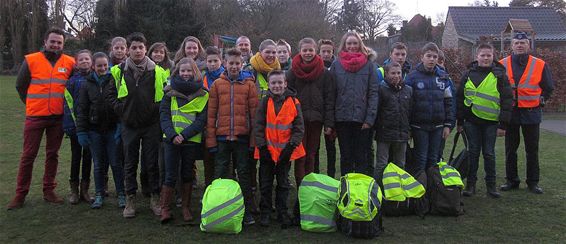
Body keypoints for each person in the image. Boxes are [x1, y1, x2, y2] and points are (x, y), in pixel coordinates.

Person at [9, 27, 75, 210]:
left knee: (52, 154)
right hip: (35, 117)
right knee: (28, 155)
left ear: (63, 44)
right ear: (45, 41)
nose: (55, 45)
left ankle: (49, 190)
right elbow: (21, 86)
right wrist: (31, 105)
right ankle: (20, 194)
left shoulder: (70, 62)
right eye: (52, 41)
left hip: (57, 118)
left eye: (59, 42)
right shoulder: (31, 60)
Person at [105, 32, 168, 218]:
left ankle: (154, 197)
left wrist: (154, 111)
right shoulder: (118, 71)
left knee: (152, 163)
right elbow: (110, 95)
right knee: (129, 163)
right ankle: (130, 199)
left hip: (151, 125)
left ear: (146, 49)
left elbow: (164, 96)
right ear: (128, 50)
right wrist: (122, 110)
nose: (138, 50)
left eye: (141, 47)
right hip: (129, 125)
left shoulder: (157, 71)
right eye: (134, 47)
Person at [207, 48, 258, 225]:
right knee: (220, 172)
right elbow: (211, 115)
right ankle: (219, 207)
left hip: (242, 138)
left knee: (244, 173)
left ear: (242, 64)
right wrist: (211, 139)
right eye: (231, 63)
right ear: (224, 63)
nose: (234, 66)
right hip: (221, 138)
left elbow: (254, 115)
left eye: (237, 63)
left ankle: (247, 210)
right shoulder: (216, 85)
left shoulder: (249, 85)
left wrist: (253, 140)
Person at [287, 37, 335, 222]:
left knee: (311, 155)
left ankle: (310, 190)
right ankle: (301, 191)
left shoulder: (324, 73)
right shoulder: (292, 72)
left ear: (315, 51)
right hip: (298, 121)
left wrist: (329, 123)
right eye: (304, 50)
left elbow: (329, 98)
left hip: (316, 120)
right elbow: (287, 95)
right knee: (299, 156)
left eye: (311, 50)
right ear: (300, 51)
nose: (308, 53)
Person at [456, 43, 513, 198]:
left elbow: (507, 100)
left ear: (493, 56)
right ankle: (471, 185)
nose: (486, 58)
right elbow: (460, 99)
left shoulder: (500, 75)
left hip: (491, 122)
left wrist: (503, 124)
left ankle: (491, 186)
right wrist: (459, 122)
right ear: (477, 56)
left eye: (489, 55)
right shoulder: (467, 74)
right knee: (473, 153)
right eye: (483, 55)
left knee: (489, 153)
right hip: (471, 122)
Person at [499, 32, 554, 194]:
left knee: (532, 150)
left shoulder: (540, 64)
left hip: (531, 113)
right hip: (511, 113)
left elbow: (548, 87)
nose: (519, 45)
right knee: (510, 149)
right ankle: (511, 180)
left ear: (529, 45)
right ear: (511, 46)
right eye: (516, 43)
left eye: (523, 43)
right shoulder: (502, 64)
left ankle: (533, 182)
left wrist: (542, 99)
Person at [159, 58, 208, 223]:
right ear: (177, 72)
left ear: (195, 73)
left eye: (189, 71)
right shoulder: (168, 92)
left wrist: (184, 136)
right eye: (183, 71)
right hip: (171, 141)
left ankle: (186, 207)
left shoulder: (203, 94)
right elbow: (164, 117)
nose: (186, 74)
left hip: (190, 140)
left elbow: (201, 121)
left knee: (187, 174)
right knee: (170, 174)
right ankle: (165, 209)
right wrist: (173, 135)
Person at [255, 70, 305, 228]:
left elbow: (299, 128)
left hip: (285, 152)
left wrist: (291, 147)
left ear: (285, 84)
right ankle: (265, 211)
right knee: (265, 183)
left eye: (279, 83)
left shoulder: (294, 102)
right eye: (273, 83)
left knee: (283, 183)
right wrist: (262, 147)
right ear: (268, 85)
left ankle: (282, 211)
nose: (276, 85)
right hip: (267, 152)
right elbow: (258, 126)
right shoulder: (264, 102)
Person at [76, 52, 126, 208]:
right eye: (99, 66)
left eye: (105, 65)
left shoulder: (115, 80)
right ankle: (99, 194)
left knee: (116, 163)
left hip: (112, 129)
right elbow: (82, 109)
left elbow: (121, 104)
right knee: (98, 164)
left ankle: (121, 194)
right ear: (93, 66)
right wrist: (81, 131)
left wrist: (120, 125)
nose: (103, 68)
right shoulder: (86, 84)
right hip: (94, 130)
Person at [330, 31, 379, 176]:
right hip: (342, 118)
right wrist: (332, 119)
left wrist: (369, 119)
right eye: (349, 43)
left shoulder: (369, 66)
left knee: (361, 157)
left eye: (355, 43)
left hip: (362, 119)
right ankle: (346, 188)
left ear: (360, 45)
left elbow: (373, 93)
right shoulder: (336, 65)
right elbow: (332, 93)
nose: (352, 46)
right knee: (346, 157)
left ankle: (361, 192)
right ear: (344, 45)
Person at [405, 42, 454, 172]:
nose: (432, 59)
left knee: (434, 158)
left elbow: (449, 102)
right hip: (419, 126)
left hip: (438, 126)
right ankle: (421, 189)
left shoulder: (443, 77)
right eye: (429, 56)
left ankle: (433, 188)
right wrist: (408, 126)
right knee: (421, 158)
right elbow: (407, 104)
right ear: (422, 57)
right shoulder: (412, 77)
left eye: (434, 56)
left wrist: (448, 125)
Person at [374, 62, 412, 183]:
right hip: (384, 134)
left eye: (398, 73)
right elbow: (376, 111)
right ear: (386, 74)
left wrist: (409, 130)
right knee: (381, 164)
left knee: (400, 164)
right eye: (393, 73)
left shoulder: (408, 90)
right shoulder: (381, 89)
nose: (396, 76)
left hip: (402, 134)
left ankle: (398, 191)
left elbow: (410, 112)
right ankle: (378, 189)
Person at [63, 50, 93, 205]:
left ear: (91, 61)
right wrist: (69, 126)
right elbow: (68, 104)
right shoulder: (72, 81)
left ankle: (85, 190)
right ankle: (74, 191)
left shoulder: (95, 78)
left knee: (88, 158)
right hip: (76, 127)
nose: (84, 61)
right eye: (81, 59)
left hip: (91, 126)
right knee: (76, 158)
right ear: (76, 62)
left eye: (87, 59)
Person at [315, 39, 338, 177]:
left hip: (332, 110)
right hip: (317, 110)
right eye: (323, 51)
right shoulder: (315, 67)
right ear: (319, 52)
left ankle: (331, 175)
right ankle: (316, 174)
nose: (326, 54)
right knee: (315, 146)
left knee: (331, 146)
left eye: (328, 51)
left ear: (333, 52)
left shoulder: (337, 67)